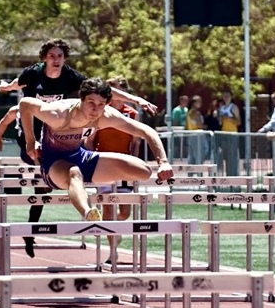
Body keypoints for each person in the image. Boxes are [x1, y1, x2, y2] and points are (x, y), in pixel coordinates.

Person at [0, 38, 158, 258]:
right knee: (59, 175)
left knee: (138, 170)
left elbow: (107, 92)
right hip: (37, 128)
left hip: (71, 141)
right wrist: (9, 90)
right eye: (52, 56)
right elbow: (22, 95)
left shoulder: (73, 78)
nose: (56, 60)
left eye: (60, 56)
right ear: (44, 58)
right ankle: (73, 204)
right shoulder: (33, 74)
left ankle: (65, 185)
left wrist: (135, 99)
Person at [18, 78, 174, 226]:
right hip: (54, 165)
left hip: (80, 157)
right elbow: (25, 104)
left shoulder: (105, 116)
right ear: (81, 99)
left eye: (101, 104)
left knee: (143, 171)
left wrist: (163, 162)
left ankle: (90, 190)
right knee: (74, 172)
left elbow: (146, 131)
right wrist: (30, 141)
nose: (95, 109)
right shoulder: (58, 114)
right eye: (91, 102)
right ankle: (89, 213)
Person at [88, 76, 140, 264]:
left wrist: (134, 163)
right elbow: (90, 140)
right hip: (103, 164)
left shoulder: (132, 113)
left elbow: (135, 141)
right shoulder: (101, 112)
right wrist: (90, 161)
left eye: (118, 90)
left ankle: (112, 229)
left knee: (125, 211)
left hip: (124, 165)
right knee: (108, 208)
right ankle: (112, 251)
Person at [218, 89, 241, 176]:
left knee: (232, 157)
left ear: (231, 97)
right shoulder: (222, 108)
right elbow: (220, 122)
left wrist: (229, 118)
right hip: (224, 134)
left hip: (232, 134)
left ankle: (233, 175)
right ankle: (227, 176)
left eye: (228, 96)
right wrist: (220, 118)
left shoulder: (234, 107)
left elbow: (238, 122)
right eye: (224, 96)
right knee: (225, 156)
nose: (226, 98)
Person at [184, 95, 207, 165]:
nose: (200, 103)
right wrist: (205, 126)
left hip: (191, 135)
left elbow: (186, 126)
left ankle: (190, 174)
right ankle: (199, 173)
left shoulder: (188, 113)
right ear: (194, 103)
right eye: (199, 101)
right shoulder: (196, 113)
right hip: (198, 136)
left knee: (191, 156)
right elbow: (200, 125)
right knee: (199, 155)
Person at [172, 95, 189, 159]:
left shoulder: (186, 110)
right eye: (185, 101)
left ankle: (184, 158)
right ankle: (176, 158)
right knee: (177, 146)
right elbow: (175, 122)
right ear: (181, 101)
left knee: (185, 146)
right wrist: (177, 130)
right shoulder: (177, 110)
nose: (186, 102)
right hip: (178, 131)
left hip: (185, 131)